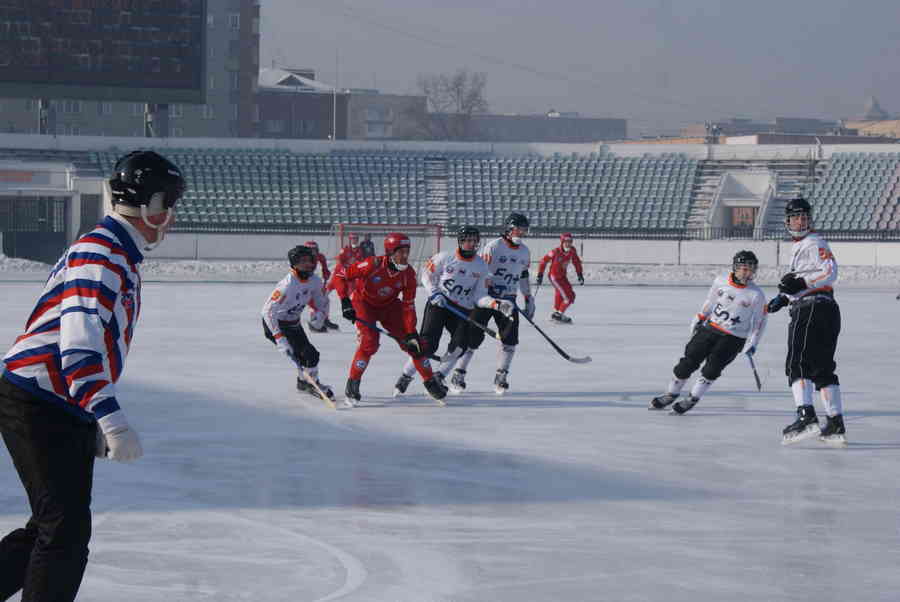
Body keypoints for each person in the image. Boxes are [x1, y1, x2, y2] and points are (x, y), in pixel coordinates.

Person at [0, 150, 185, 601]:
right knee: (63, 532)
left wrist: (90, 412)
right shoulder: (102, 255)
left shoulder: (115, 251)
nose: (173, 216)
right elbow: (79, 348)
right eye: (171, 204)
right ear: (150, 206)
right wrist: (110, 419)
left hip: (55, 399)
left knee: (52, 524)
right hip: (37, 397)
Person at [393, 226, 513, 397]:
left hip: (462, 309)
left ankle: (438, 376)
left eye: (474, 241)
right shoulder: (445, 257)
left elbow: (479, 296)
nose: (472, 244)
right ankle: (406, 376)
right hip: (439, 304)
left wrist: (496, 304)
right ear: (460, 241)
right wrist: (434, 292)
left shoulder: (481, 266)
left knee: (460, 345)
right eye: (468, 240)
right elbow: (426, 275)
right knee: (428, 345)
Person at [766, 198, 846, 446]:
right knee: (822, 368)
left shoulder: (814, 241)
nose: (801, 220)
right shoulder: (802, 246)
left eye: (804, 216)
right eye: (796, 217)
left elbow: (830, 271)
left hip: (811, 308)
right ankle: (834, 423)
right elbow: (807, 276)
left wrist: (801, 285)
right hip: (824, 309)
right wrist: (783, 297)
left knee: (797, 363)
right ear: (788, 221)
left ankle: (806, 416)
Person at [334, 232, 447, 405]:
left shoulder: (408, 274)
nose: (405, 256)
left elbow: (408, 305)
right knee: (369, 342)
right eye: (400, 252)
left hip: (389, 306)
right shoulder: (373, 263)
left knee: (415, 345)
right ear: (390, 252)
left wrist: (410, 333)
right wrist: (344, 301)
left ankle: (430, 381)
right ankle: (353, 383)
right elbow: (341, 275)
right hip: (364, 304)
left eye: (407, 251)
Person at [650, 250, 767, 415]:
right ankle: (671, 394)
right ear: (735, 268)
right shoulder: (720, 281)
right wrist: (700, 316)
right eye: (744, 269)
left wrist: (753, 343)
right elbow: (710, 301)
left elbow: (760, 322)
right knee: (687, 362)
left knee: (712, 369)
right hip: (710, 329)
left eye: (751, 269)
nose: (748, 273)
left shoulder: (756, 294)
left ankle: (692, 398)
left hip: (734, 338)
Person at [449, 213, 535, 395]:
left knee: (510, 340)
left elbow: (523, 275)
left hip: (509, 300)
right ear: (509, 229)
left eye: (524, 230)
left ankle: (501, 375)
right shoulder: (493, 247)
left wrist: (528, 297)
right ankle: (459, 373)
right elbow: (479, 269)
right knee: (473, 338)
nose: (522, 232)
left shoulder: (525, 251)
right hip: (487, 298)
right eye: (519, 229)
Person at [261, 245, 335, 402]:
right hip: (276, 324)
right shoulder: (287, 285)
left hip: (293, 324)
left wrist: (321, 315)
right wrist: (279, 338)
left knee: (310, 355)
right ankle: (310, 383)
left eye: (310, 260)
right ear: (294, 264)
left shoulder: (314, 281)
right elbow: (267, 312)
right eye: (303, 261)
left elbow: (323, 300)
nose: (308, 264)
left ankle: (304, 382)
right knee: (306, 355)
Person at [536, 232, 585, 324]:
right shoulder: (555, 252)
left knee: (570, 295)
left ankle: (557, 313)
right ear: (562, 242)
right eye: (566, 241)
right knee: (568, 298)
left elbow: (576, 262)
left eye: (570, 241)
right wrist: (540, 274)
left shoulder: (572, 251)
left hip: (563, 276)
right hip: (554, 277)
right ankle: (559, 314)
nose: (568, 243)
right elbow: (543, 261)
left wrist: (579, 274)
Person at [303, 240, 339, 332]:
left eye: (314, 250)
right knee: (313, 302)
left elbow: (324, 267)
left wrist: (326, 273)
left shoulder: (319, 256)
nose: (313, 253)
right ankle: (314, 322)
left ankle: (324, 319)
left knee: (325, 299)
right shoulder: (301, 258)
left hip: (312, 278)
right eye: (310, 250)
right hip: (302, 281)